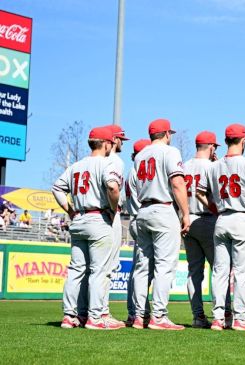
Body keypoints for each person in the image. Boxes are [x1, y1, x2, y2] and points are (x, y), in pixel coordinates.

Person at [197, 123, 245, 331]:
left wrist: (215, 209)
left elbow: (199, 192)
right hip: (243, 218)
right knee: (242, 272)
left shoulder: (213, 166)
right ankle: (239, 318)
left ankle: (218, 318)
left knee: (220, 272)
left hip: (222, 219)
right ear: (243, 140)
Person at [52, 126, 122, 330]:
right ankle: (94, 317)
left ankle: (69, 316)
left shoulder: (76, 165)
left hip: (79, 219)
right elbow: (112, 186)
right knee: (98, 271)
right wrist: (113, 208)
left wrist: (70, 210)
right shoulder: (106, 163)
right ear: (107, 144)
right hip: (98, 218)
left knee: (76, 270)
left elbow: (57, 187)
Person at [132, 118, 190, 330]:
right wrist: (185, 213)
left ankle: (139, 316)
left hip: (143, 210)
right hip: (163, 208)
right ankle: (158, 316)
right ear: (166, 134)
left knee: (141, 268)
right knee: (164, 267)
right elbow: (177, 183)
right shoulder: (170, 151)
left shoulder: (140, 155)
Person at [182, 131, 222, 329]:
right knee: (219, 270)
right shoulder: (213, 166)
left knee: (194, 273)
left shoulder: (184, 165)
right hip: (208, 219)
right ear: (212, 147)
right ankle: (221, 315)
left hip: (187, 220)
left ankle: (198, 316)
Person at [124, 138, 152, 326]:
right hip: (143, 217)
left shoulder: (131, 170)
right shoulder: (139, 170)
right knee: (145, 270)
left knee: (138, 270)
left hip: (136, 219)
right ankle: (138, 312)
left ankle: (134, 312)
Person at [103, 124, 127, 319]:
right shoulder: (115, 160)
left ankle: (79, 312)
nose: (121, 143)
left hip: (87, 214)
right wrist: (113, 209)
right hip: (109, 214)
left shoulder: (89, 161)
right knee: (107, 267)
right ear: (113, 140)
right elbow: (113, 188)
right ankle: (101, 311)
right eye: (120, 139)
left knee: (85, 268)